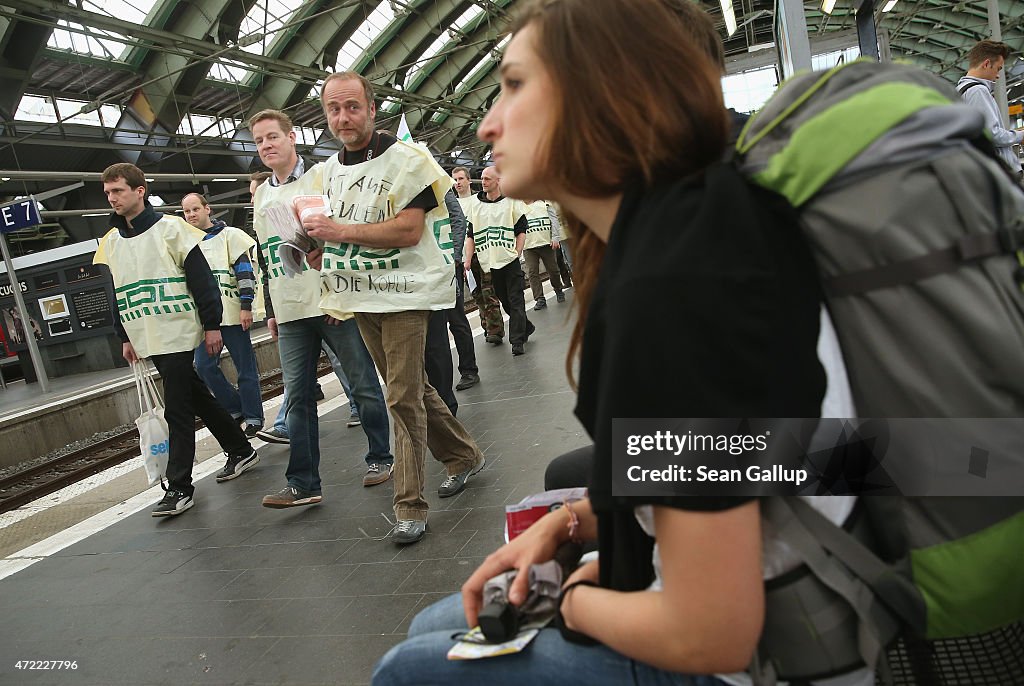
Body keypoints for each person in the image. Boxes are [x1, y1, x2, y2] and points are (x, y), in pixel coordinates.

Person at [372, 2, 866, 685]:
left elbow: (710, 636)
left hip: (782, 652)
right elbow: (744, 460)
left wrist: (575, 598)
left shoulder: (668, 288)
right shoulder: (703, 217)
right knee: (446, 624)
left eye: (514, 85)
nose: (487, 123)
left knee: (410, 668)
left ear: (599, 93)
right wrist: (574, 524)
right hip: (813, 563)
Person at [303, 72, 485, 544]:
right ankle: (464, 454)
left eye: (352, 107)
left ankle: (409, 504)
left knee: (400, 395)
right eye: (333, 109)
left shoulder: (410, 161)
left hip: (406, 292)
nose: (343, 117)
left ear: (372, 108)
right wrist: (317, 247)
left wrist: (339, 233)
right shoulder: (328, 174)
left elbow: (408, 231)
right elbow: (336, 232)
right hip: (362, 294)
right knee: (413, 389)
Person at [94, 163, 257, 516]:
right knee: (195, 395)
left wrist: (211, 325)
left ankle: (179, 486)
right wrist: (124, 336)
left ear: (140, 190)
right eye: (108, 193)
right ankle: (240, 448)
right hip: (145, 333)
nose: (112, 198)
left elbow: (202, 280)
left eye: (118, 191)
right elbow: (115, 292)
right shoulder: (110, 243)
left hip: (179, 331)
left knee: (178, 408)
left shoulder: (173, 229)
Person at [249, 108, 394, 504]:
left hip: (333, 302)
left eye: (272, 137)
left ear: (291, 136)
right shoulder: (261, 194)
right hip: (291, 308)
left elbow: (342, 239)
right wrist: (271, 310)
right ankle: (303, 483)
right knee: (296, 396)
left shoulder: (323, 176)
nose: (266, 146)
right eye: (259, 140)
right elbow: (266, 255)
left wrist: (341, 294)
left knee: (362, 382)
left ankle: (381, 456)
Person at [182, 192, 265, 438]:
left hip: (232, 313)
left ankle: (253, 417)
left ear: (208, 209)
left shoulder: (231, 237)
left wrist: (246, 306)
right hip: (206, 320)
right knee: (204, 367)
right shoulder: (186, 243)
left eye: (195, 209)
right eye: (187, 212)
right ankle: (235, 408)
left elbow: (244, 272)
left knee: (245, 368)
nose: (191, 215)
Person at [463, 167, 534, 356]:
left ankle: (517, 341)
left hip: (509, 260)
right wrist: (468, 258)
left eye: (487, 179)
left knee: (516, 299)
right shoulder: (476, 205)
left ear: (498, 181)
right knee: (505, 300)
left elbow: (521, 230)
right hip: (489, 263)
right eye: (482, 179)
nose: (483, 181)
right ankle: (526, 327)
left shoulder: (511, 202)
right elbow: (470, 235)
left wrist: (517, 253)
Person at [453, 166, 504, 345]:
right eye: (455, 180)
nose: (457, 183)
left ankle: (495, 329)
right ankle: (487, 326)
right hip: (464, 258)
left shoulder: (479, 200)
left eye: (460, 179)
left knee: (488, 291)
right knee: (477, 294)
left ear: (468, 180)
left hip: (482, 252)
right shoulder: (452, 204)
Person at [958, 39, 1023, 178]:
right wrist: (1020, 136)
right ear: (987, 64)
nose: (998, 75)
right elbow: (991, 135)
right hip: (1001, 173)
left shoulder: (960, 90)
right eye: (998, 68)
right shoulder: (978, 91)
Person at [521, 199, 565, 310]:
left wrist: (555, 237)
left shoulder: (544, 204)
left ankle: (558, 289)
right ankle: (540, 298)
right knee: (532, 272)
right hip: (529, 246)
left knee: (553, 269)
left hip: (546, 243)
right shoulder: (517, 208)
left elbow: (554, 220)